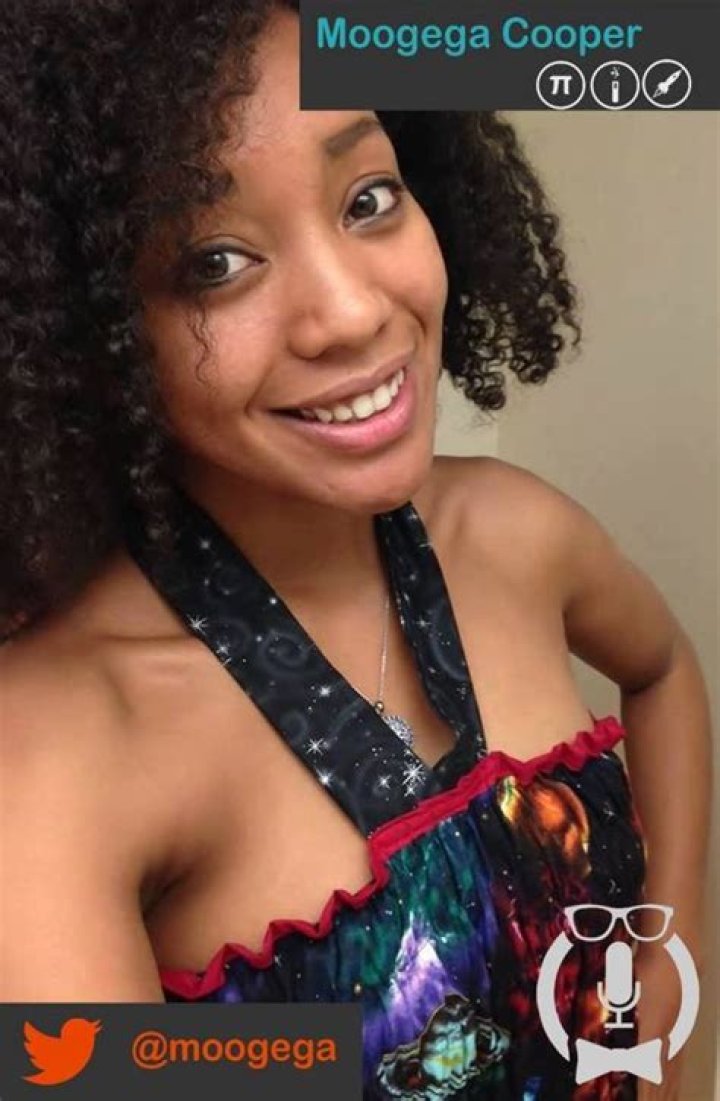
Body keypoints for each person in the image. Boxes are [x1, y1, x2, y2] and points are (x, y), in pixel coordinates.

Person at [0, 2, 711, 1099]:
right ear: (85, 329)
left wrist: (668, 976)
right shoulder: (57, 756)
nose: (350, 313)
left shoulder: (518, 535)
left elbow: (663, 671)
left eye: (368, 198)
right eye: (216, 263)